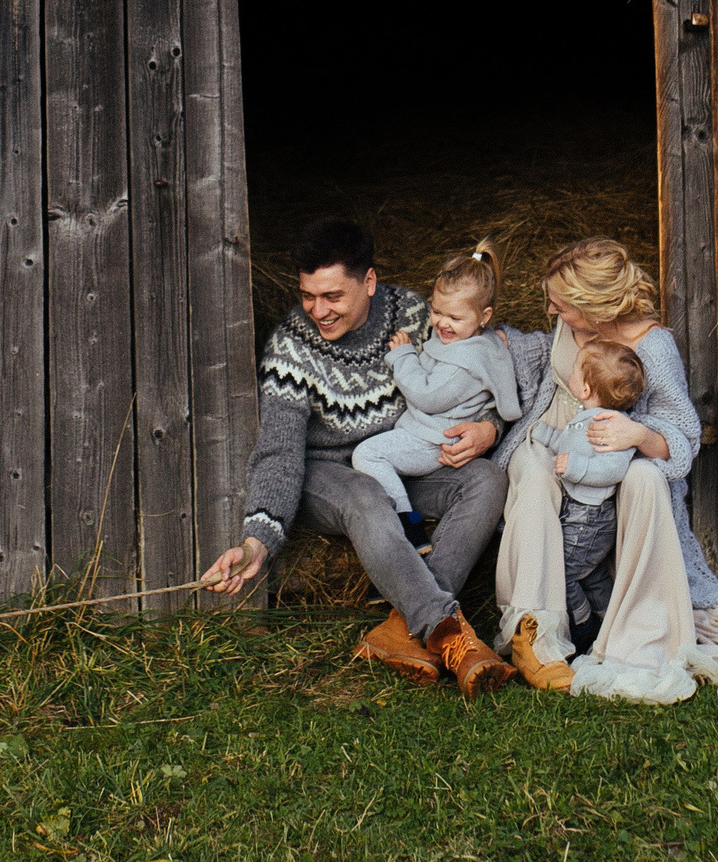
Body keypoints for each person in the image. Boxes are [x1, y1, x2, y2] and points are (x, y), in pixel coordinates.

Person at [199, 218, 515, 696]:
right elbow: (279, 453)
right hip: (324, 474)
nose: (317, 310)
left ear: (369, 281)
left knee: (488, 479)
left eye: (332, 297)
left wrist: (489, 427)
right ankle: (449, 635)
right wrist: (257, 541)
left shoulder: (414, 313)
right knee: (366, 495)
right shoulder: (291, 350)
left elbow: (475, 367)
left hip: (400, 456)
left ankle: (399, 627)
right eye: (308, 295)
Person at [491, 237, 718, 693]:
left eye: (561, 306)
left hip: (610, 457)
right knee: (536, 473)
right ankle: (534, 634)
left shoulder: (652, 348)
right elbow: (545, 355)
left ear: (596, 306)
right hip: (552, 436)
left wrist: (637, 435)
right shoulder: (571, 328)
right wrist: (498, 341)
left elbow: (684, 438)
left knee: (644, 477)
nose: (552, 313)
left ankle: (639, 623)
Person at [353, 240, 519, 554]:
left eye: (454, 318)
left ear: (484, 316)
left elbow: (427, 396)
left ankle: (409, 525)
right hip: (429, 432)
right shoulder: (467, 340)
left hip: (435, 441)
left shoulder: (466, 362)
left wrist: (403, 358)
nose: (442, 323)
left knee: (368, 455)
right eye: (437, 311)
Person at [529, 339, 647, 637]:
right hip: (581, 515)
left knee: (565, 571)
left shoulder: (611, 424)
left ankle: (583, 626)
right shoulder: (584, 419)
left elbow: (612, 469)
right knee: (591, 574)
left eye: (574, 371)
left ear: (584, 390)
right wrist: (541, 433)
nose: (570, 373)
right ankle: (612, 622)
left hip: (590, 520)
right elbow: (568, 443)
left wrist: (575, 468)